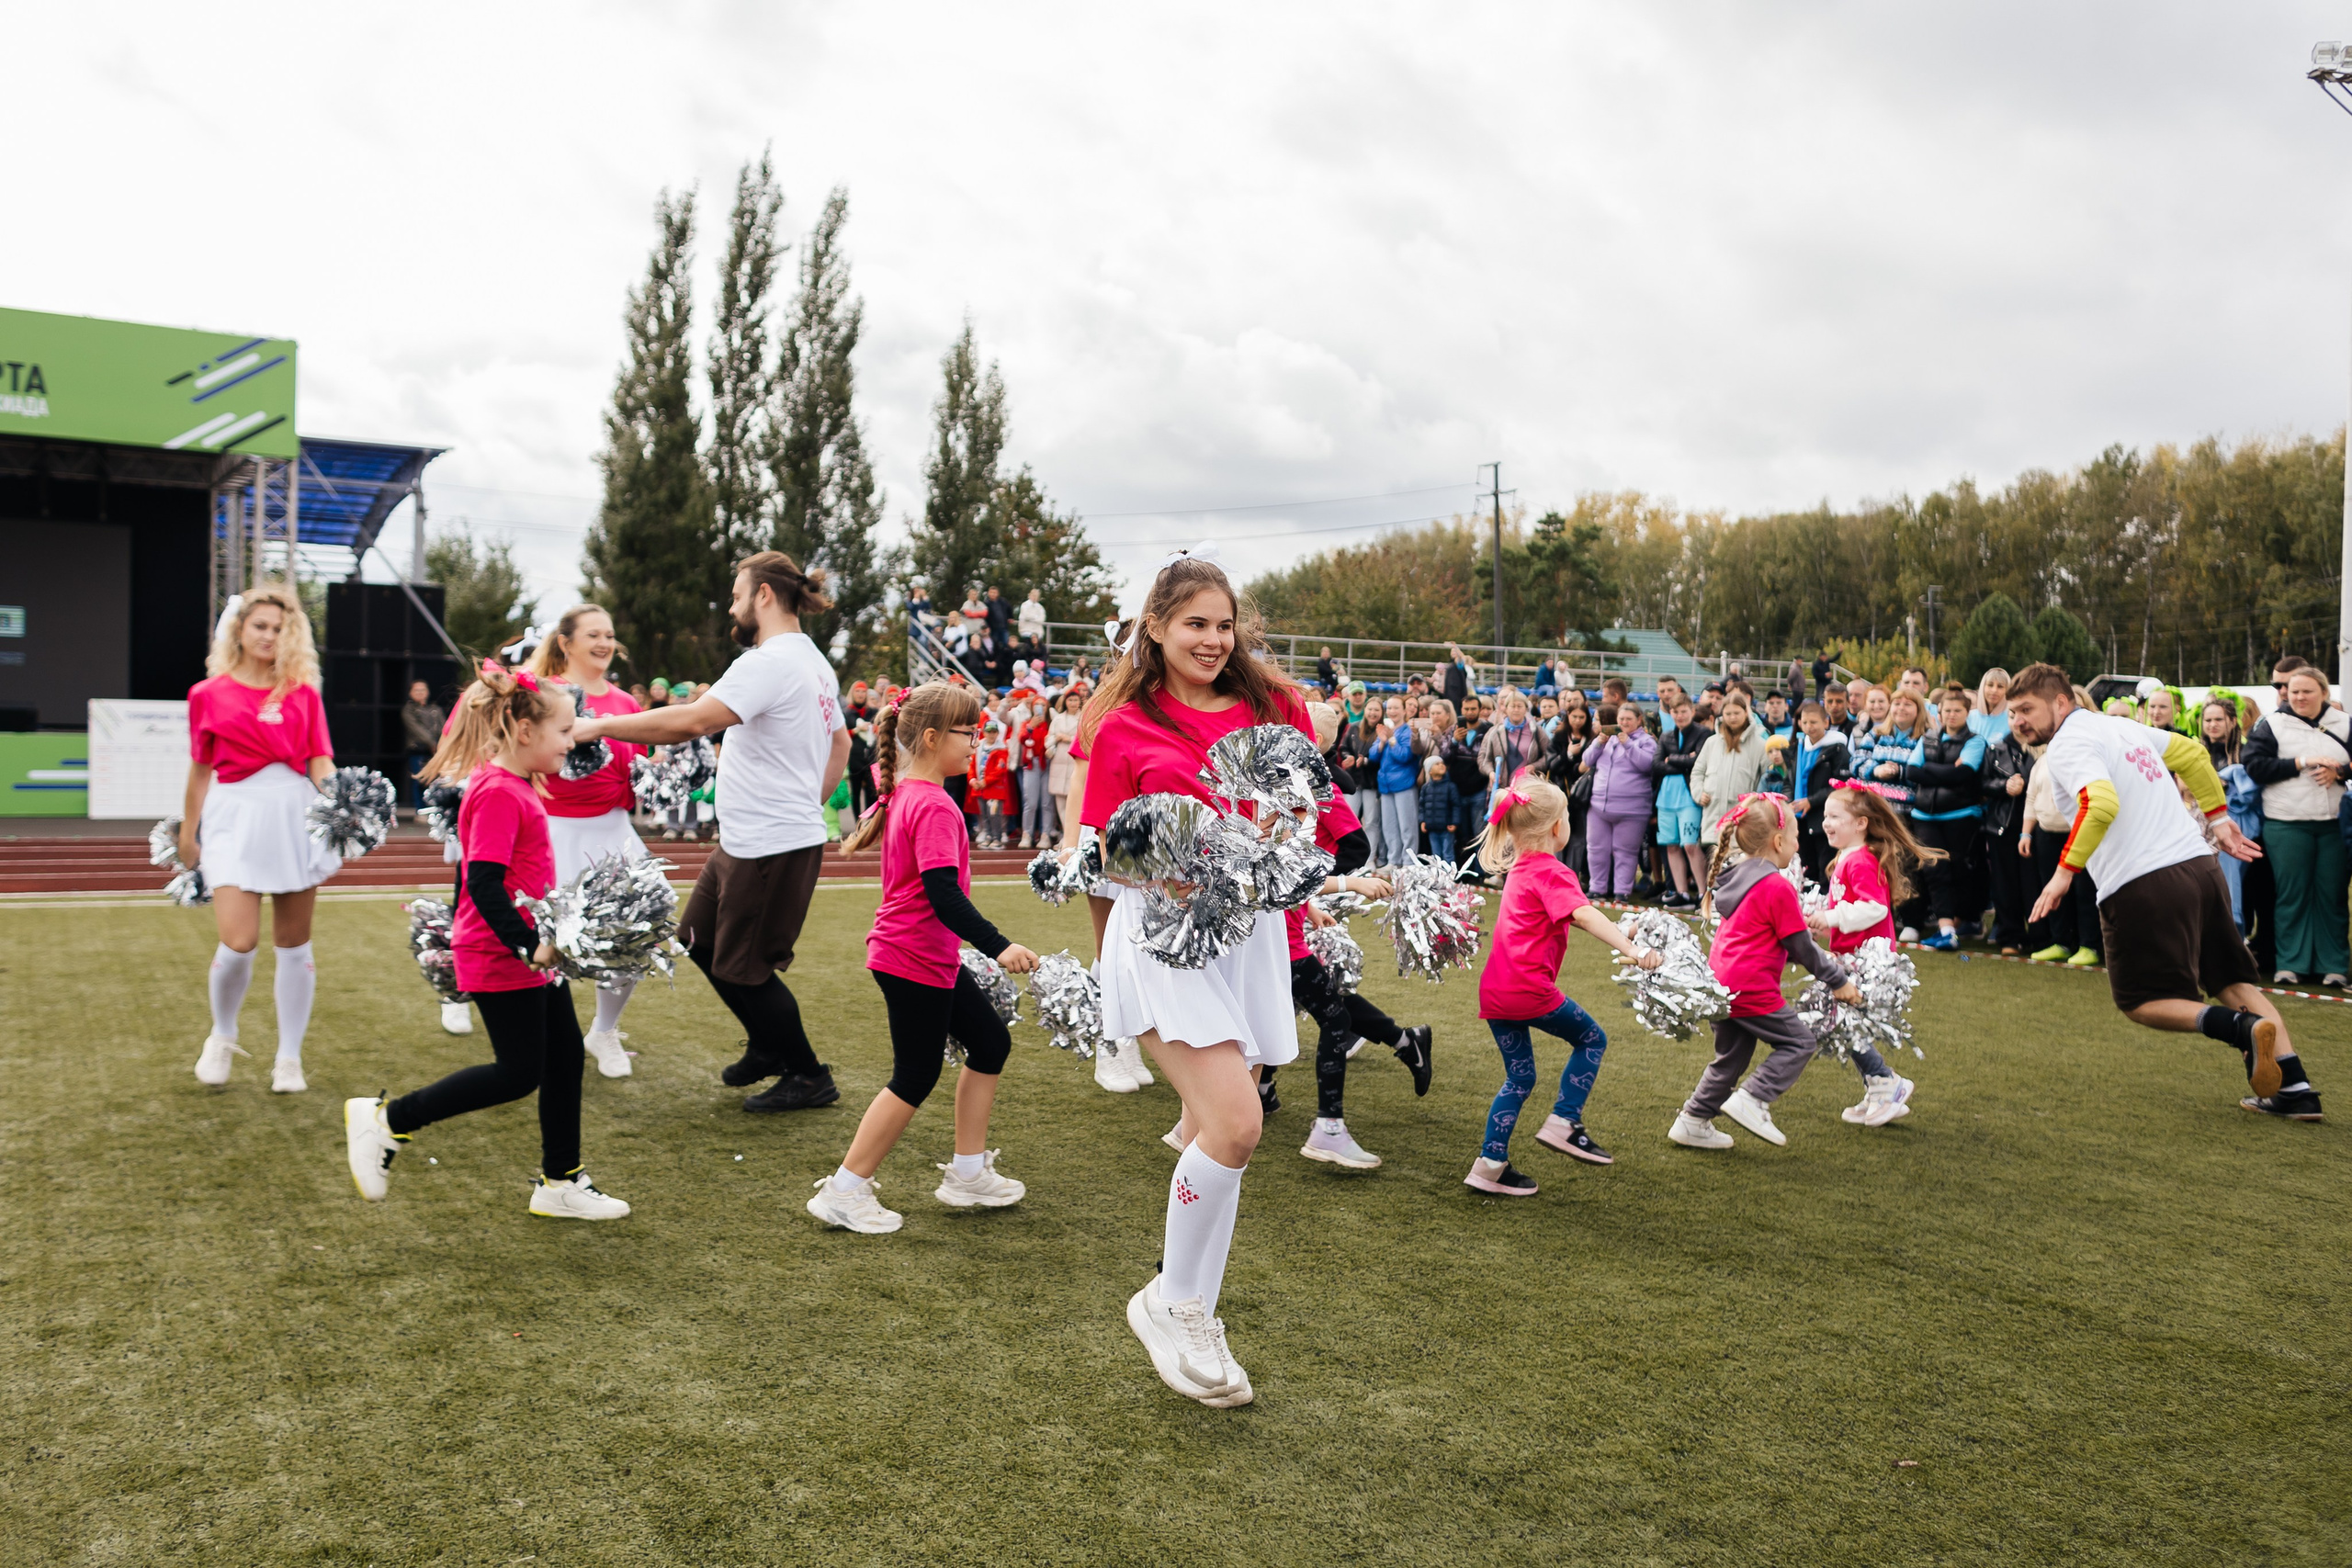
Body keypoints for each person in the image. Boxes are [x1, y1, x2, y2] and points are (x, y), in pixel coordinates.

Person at [1079, 552, 1315, 1409]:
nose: (1213, 640)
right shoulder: (1123, 726)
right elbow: (1106, 857)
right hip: (1164, 940)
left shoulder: (1273, 708)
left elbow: (1302, 813)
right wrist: (1177, 873)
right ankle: (1167, 1300)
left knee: (1226, 1140)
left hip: (1247, 943)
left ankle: (1195, 1312)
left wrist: (1309, 886)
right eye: (1194, 624)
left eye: (1224, 624)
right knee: (1237, 1121)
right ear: (1156, 626)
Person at [344, 664, 629, 1220]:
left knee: (566, 1057)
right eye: (565, 732)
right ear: (525, 732)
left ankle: (560, 1180)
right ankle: (387, 1121)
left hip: (527, 950)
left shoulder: (516, 784)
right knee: (518, 1073)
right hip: (501, 953)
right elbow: (482, 883)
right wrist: (529, 945)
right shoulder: (499, 790)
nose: (573, 743)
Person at [571, 551, 851, 1111]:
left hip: (770, 842)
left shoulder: (767, 661)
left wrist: (596, 725)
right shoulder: (813, 662)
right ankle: (769, 1048)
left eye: (736, 593)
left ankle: (808, 1074)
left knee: (746, 970)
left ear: (764, 596)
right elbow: (840, 744)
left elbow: (693, 720)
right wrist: (804, 804)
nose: (731, 604)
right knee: (697, 941)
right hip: (751, 840)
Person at [2010, 662, 2320, 1121]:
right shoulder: (2120, 726)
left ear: (2061, 702)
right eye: (2013, 713)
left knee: (2139, 1001)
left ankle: (2239, 1030)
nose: (2018, 721)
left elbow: (2100, 803)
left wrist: (2063, 874)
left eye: (2026, 709)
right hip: (2200, 868)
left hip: (2143, 885)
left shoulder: (2069, 742)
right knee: (2230, 981)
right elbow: (2194, 755)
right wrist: (2218, 819)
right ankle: (2296, 1090)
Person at [811, 683, 1041, 1234]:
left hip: (922, 954)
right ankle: (846, 1188)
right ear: (934, 738)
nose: (978, 744)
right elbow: (943, 894)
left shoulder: (907, 792)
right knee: (914, 1075)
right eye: (971, 734)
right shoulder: (932, 803)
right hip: (911, 955)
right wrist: (1000, 946)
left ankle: (966, 1174)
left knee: (990, 1042)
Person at [181, 585, 341, 1094]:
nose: (269, 635)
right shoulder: (207, 694)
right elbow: (199, 770)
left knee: (294, 943)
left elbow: (320, 761)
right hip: (233, 816)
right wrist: (189, 831)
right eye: (260, 626)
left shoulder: (303, 693)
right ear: (239, 630)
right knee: (239, 939)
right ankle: (222, 1034)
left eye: (278, 628)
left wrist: (345, 809)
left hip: (295, 812)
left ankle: (288, 1058)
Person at [1467, 779, 1662, 1195]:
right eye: (1568, 817)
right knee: (1592, 1038)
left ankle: (1489, 1166)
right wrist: (1633, 946)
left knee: (1519, 1080)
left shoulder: (1521, 869)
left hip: (1496, 992)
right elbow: (1585, 915)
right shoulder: (1554, 870)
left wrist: (1625, 927)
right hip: (1529, 990)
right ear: (1557, 828)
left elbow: (1570, 916)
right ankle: (1564, 1121)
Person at [1276, 730, 1433, 1171]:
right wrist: (1351, 883)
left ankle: (1214, 1114)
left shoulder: (1287, 796)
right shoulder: (1277, 800)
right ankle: (1328, 1128)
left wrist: (1307, 907)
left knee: (1309, 1008)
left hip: (1282, 933)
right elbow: (1278, 871)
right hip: (1276, 943)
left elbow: (1276, 873)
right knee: (1331, 1015)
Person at [1668, 795, 1861, 1151]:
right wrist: (1839, 981)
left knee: (1732, 1057)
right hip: (1750, 986)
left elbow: (1763, 939)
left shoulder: (1737, 879)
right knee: (1799, 1042)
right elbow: (1802, 948)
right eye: (1795, 836)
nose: (1799, 843)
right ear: (1777, 842)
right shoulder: (1776, 885)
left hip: (1722, 983)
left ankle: (1693, 1119)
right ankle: (1753, 1100)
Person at [526, 604, 649, 1078]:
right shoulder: (544, 695)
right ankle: (541, 1033)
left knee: (632, 935)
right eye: (593, 634)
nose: (603, 643)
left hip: (614, 829)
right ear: (566, 642)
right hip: (554, 827)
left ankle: (604, 1030)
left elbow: (637, 769)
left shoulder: (626, 703)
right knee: (545, 939)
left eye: (610, 634)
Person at [1807, 783, 1935, 1125]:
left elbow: (1874, 908)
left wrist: (1831, 917)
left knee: (1845, 1024)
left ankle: (1887, 1083)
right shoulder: (1847, 858)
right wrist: (1821, 915)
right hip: (1850, 955)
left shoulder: (1860, 860)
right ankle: (1879, 1086)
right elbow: (1845, 906)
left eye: (1835, 816)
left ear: (1861, 823)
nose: (1827, 823)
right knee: (1844, 1025)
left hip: (1867, 959)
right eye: (1825, 816)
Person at [2241, 666, 2351, 987]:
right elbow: (2255, 766)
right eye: (2294, 690)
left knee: (2332, 895)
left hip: (2333, 824)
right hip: (2286, 823)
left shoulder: (2343, 723)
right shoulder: (2271, 724)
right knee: (2292, 895)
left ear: (2324, 693)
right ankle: (2291, 964)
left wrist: (2341, 772)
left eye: (2308, 691)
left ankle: (2334, 966)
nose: (2300, 696)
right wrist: (2301, 762)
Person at [1883, 686, 1984, 952]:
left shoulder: (1975, 741)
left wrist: (1936, 770)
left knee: (1960, 870)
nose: (1951, 715)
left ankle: (1962, 923)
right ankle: (1946, 929)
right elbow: (1913, 772)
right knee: (1934, 869)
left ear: (1967, 713)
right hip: (1924, 816)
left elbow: (1964, 775)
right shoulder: (1927, 738)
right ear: (1939, 713)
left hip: (1961, 816)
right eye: (1947, 710)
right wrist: (1949, 769)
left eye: (1957, 710)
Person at [2019, 732, 2102, 967]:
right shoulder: (2043, 760)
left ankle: (2089, 945)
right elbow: (2031, 797)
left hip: (2079, 834)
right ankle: (2060, 941)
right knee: (2051, 889)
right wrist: (2026, 833)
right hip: (2046, 833)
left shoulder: (2086, 758)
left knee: (2084, 891)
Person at [1580, 701, 1657, 900]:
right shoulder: (1608, 739)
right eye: (1621, 719)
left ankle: (1622, 891)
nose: (1624, 722)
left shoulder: (1646, 741)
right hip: (1599, 805)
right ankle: (1597, 888)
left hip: (1632, 808)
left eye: (1628, 719)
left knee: (1625, 852)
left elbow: (1647, 765)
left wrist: (1628, 743)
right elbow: (1587, 760)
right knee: (1596, 849)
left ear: (1638, 720)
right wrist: (1599, 742)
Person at [1651, 694, 1712, 907]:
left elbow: (1699, 762)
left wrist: (1673, 760)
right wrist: (1682, 762)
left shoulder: (1704, 733)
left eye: (1684, 711)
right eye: (1675, 712)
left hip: (1690, 797)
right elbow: (1657, 764)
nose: (1679, 715)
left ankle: (1704, 894)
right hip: (1666, 798)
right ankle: (1682, 893)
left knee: (1690, 845)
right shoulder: (1666, 736)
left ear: (1692, 711)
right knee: (1671, 846)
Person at [1690, 691, 1768, 854]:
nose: (1732, 717)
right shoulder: (1712, 742)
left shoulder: (1760, 744)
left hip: (1742, 825)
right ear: (1722, 714)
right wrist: (1698, 792)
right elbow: (1697, 772)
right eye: (1728, 713)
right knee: (1713, 873)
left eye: (1737, 713)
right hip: (1712, 822)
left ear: (1746, 713)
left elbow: (1767, 778)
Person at [1790, 699, 1850, 887]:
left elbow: (1840, 785)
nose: (1809, 726)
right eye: (1805, 722)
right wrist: (1788, 800)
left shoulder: (1838, 748)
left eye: (1814, 722)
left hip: (1824, 816)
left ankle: (1826, 905)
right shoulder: (1798, 747)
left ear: (1826, 722)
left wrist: (1812, 801)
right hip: (1800, 818)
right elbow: (1789, 780)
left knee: (1826, 865)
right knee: (1806, 867)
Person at [1369, 696, 1423, 867]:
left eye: (1396, 708)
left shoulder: (1407, 731)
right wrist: (1383, 741)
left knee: (1407, 827)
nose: (1392, 711)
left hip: (1404, 784)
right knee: (1389, 827)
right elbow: (1373, 756)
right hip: (1386, 785)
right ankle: (1394, 860)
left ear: (1404, 711)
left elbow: (1404, 756)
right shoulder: (1387, 730)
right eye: (1389, 708)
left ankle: (1408, 862)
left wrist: (1391, 740)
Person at [1046, 684, 1086, 842]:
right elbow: (1049, 738)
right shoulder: (1057, 719)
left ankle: (1073, 836)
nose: (1073, 703)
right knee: (1060, 802)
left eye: (1076, 700)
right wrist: (1056, 739)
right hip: (1059, 761)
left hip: (1075, 761)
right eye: (1070, 700)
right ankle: (1065, 834)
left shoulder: (1083, 717)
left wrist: (1068, 738)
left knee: (1074, 800)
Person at [400, 680, 444, 810]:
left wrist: (442, 744)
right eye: (416, 690)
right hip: (418, 750)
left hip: (436, 751)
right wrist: (432, 743)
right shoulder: (408, 710)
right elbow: (417, 730)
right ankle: (421, 808)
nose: (420, 693)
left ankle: (435, 807)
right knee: (419, 779)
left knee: (437, 780)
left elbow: (444, 727)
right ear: (410, 693)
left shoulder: (435, 709)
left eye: (422, 690)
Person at [1419, 752, 1460, 865]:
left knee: (1448, 853)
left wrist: (1454, 822)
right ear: (1430, 771)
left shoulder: (1450, 787)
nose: (1441, 765)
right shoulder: (1426, 788)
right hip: (1432, 828)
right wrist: (1422, 821)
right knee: (1435, 855)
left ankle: (1450, 877)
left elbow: (1456, 805)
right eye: (1437, 764)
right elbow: (1422, 806)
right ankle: (1437, 877)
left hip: (1446, 828)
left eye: (1442, 763)